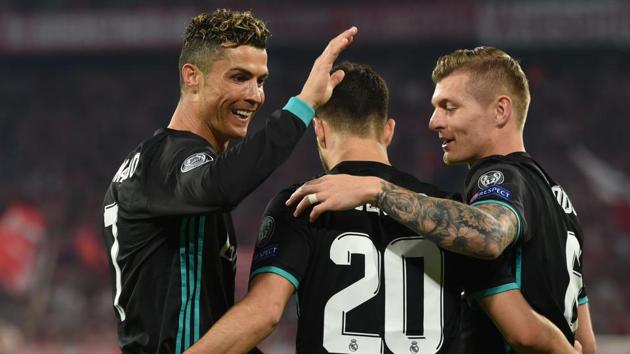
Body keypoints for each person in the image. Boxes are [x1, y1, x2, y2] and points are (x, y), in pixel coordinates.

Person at [286, 47, 595, 353]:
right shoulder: (559, 200)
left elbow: (487, 235)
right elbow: (587, 342)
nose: (434, 121)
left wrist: (377, 189)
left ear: (500, 111)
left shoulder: (500, 176)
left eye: (449, 107)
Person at [101, 8, 358, 353]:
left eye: (260, 80)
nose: (255, 95)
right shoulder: (168, 160)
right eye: (239, 78)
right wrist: (304, 104)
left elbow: (209, 321)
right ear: (192, 76)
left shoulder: (154, 167)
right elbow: (220, 185)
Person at [186, 62, 474, 354]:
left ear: (320, 131)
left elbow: (264, 314)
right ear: (388, 131)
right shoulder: (448, 212)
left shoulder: (300, 202)